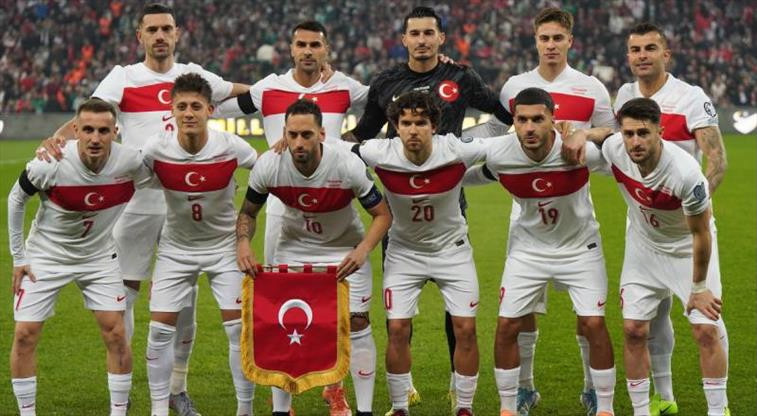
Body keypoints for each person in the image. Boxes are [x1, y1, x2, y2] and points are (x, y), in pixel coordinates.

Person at [37, 4, 250, 414]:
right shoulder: (124, 76)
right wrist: (57, 139)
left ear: (177, 33)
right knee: (126, 295)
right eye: (152, 30)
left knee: (183, 303)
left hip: (181, 205)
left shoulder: (194, 76)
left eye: (166, 28)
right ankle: (125, 379)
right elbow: (91, 115)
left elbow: (245, 93)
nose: (160, 36)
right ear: (140, 36)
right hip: (136, 203)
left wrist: (283, 92)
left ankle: (177, 389)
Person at [343, 6, 514, 405]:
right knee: (399, 316)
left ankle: (458, 383)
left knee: (457, 311)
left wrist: (468, 145)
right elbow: (364, 132)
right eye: (415, 33)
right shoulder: (386, 81)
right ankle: (406, 389)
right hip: (401, 204)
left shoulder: (461, 76)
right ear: (404, 39)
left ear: (441, 38)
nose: (421, 40)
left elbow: (501, 115)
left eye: (428, 33)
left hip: (448, 196)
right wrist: (326, 141)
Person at [216, 20, 371, 414]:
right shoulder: (268, 88)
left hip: (331, 196)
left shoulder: (344, 86)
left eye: (315, 44)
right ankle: (285, 390)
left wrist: (350, 142)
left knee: (340, 306)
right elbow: (219, 102)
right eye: (301, 44)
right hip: (281, 205)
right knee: (284, 302)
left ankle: (335, 388)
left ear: (326, 49)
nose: (307, 51)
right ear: (290, 49)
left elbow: (386, 100)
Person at [466, 9, 617, 413]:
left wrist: (583, 133)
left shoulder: (591, 88)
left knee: (588, 317)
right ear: (535, 41)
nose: (551, 45)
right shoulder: (515, 86)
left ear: (570, 41)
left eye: (557, 38)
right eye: (544, 38)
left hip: (573, 210)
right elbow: (497, 134)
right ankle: (523, 389)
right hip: (527, 219)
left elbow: (613, 135)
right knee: (522, 312)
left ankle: (593, 390)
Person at [236, 99, 392, 416]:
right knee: (284, 324)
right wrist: (242, 243)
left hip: (345, 250)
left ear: (321, 134)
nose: (298, 143)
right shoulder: (270, 165)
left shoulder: (346, 165)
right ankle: (281, 410)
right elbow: (248, 212)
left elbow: (383, 214)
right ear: (284, 133)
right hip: (294, 248)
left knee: (358, 322)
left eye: (306, 135)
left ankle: (364, 410)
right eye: (292, 135)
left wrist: (362, 250)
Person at [350, 91, 494, 416]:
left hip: (452, 252)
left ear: (434, 126)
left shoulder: (456, 149)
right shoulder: (379, 152)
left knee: (465, 329)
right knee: (397, 329)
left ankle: (465, 407)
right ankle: (400, 406)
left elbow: (504, 146)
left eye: (421, 123)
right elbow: (337, 150)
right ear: (396, 127)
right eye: (406, 123)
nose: (413, 130)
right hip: (404, 253)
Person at [613, 22, 728, 415]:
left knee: (706, 320)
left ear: (666, 54)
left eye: (650, 48)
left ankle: (720, 407)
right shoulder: (624, 95)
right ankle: (663, 397)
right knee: (647, 319)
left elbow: (717, 159)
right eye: (635, 49)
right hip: (644, 229)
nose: (642, 56)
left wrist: (693, 204)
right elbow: (613, 142)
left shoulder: (690, 97)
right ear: (628, 56)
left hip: (686, 225)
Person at [8, 98, 150, 416]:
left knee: (116, 332)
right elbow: (16, 199)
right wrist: (19, 257)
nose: (95, 138)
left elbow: (166, 180)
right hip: (46, 256)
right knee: (25, 334)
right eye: (87, 130)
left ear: (115, 132)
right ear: (75, 130)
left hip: (98, 257)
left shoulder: (130, 163)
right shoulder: (49, 163)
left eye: (103, 131)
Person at [142, 73, 256, 416]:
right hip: (175, 249)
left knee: (238, 330)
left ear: (210, 109)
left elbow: (266, 173)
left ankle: (245, 410)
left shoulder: (231, 146)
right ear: (171, 110)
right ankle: (159, 411)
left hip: (223, 249)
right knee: (159, 332)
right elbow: (126, 176)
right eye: (182, 106)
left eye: (195, 106)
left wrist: (245, 225)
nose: (188, 113)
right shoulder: (155, 149)